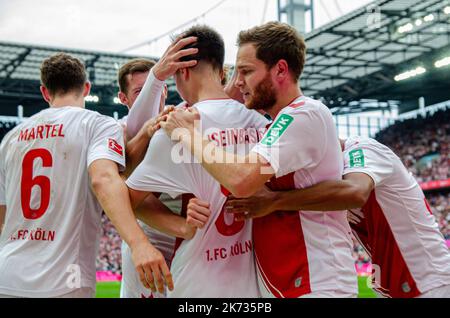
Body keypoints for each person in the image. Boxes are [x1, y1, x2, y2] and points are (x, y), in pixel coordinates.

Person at [160, 21, 358, 298]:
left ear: (280, 70)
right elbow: (226, 99)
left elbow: (242, 180)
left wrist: (186, 133)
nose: (237, 81)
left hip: (315, 280)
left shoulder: (302, 114)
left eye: (246, 71)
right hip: (285, 281)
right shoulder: (273, 122)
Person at [0, 53, 171, 298]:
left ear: (45, 92)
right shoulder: (98, 125)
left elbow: (2, 218)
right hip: (62, 280)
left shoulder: (10, 138)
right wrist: (139, 243)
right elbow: (104, 178)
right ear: (86, 87)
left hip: (7, 275)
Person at [126, 25, 268, 298]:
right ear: (220, 67)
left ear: (183, 71)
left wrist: (181, 226)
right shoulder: (262, 125)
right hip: (252, 282)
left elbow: (129, 200)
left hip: (195, 282)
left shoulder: (176, 129)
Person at [225, 136, 450, 298]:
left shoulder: (363, 149)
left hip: (428, 281)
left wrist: (274, 200)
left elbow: (355, 192)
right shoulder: (322, 180)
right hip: (398, 284)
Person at [116, 58, 210, 298]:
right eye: (140, 91)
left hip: (191, 239)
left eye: (155, 88)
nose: (150, 96)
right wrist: (146, 132)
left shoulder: (183, 118)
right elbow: (121, 189)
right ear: (123, 98)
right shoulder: (119, 131)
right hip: (149, 237)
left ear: (165, 91)